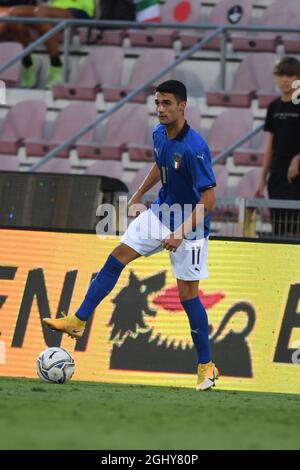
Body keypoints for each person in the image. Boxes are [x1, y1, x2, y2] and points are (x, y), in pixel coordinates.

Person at [43, 80, 220, 392]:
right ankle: (79, 321)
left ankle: (205, 364)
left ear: (182, 106)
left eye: (167, 104)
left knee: (188, 296)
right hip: (160, 212)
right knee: (115, 259)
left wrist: (180, 233)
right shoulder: (157, 134)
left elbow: (208, 202)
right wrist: (138, 193)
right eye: (157, 103)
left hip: (190, 226)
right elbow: (160, 165)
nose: (160, 109)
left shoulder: (196, 148)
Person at [255, 56, 300, 238]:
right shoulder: (274, 106)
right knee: (279, 232)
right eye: (281, 75)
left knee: (295, 232)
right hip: (278, 178)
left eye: (290, 75)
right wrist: (262, 179)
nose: (285, 80)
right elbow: (270, 145)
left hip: (297, 178)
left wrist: (297, 159)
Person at [8, 0, 94, 88]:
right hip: (50, 10)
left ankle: (56, 64)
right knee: (14, 12)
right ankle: (28, 62)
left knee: (40, 13)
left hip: (78, 12)